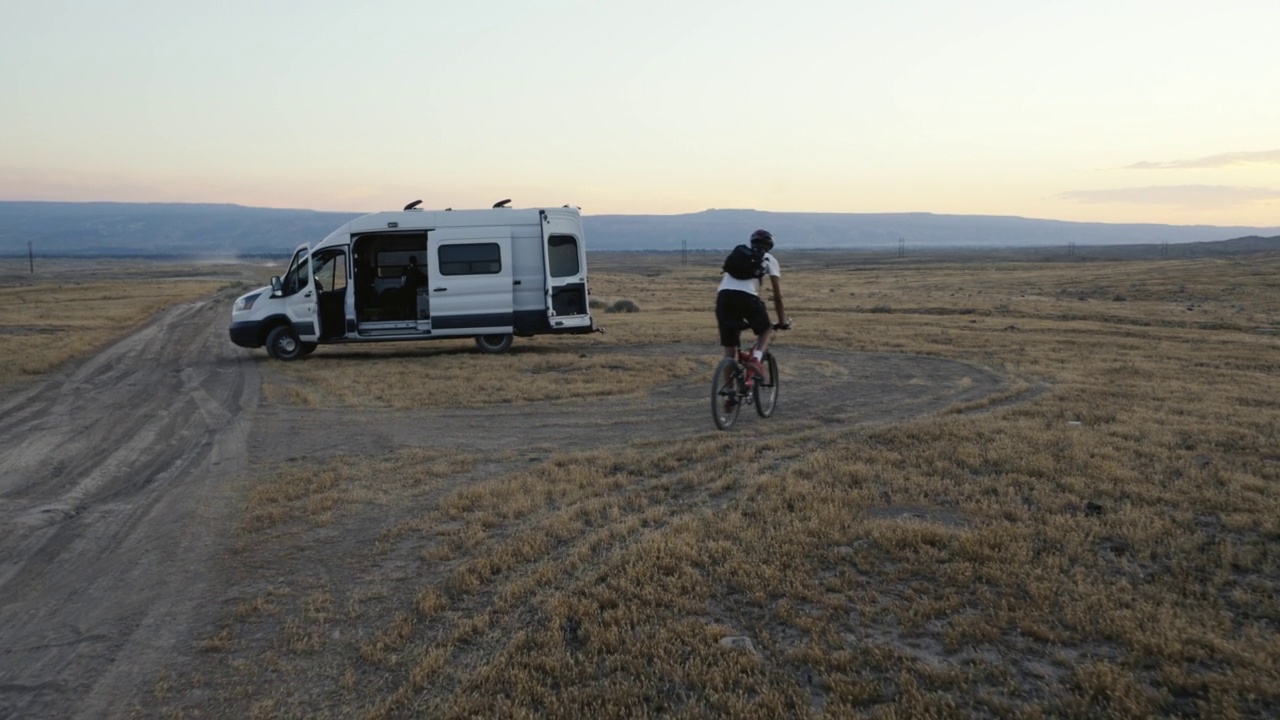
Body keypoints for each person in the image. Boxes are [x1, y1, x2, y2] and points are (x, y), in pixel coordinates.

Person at [716, 229, 790, 383]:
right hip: (747, 297)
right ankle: (756, 359)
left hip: (724, 298)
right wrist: (782, 321)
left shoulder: (739, 255)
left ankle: (729, 396)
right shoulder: (769, 259)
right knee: (766, 328)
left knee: (730, 351)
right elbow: (777, 295)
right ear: (770, 246)